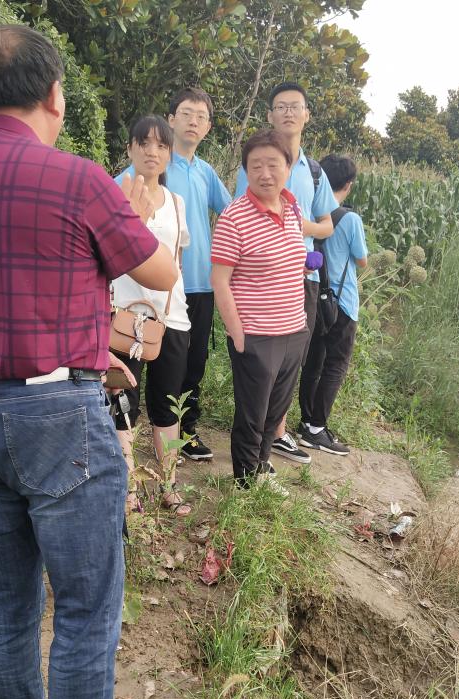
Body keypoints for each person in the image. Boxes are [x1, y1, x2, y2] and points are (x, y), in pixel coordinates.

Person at [0, 25, 177, 699]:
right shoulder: (79, 179)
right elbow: (160, 272)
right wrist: (139, 213)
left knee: (6, 607)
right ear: (54, 96)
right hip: (59, 417)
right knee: (86, 615)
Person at [115, 87, 230, 461]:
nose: (194, 121)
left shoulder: (202, 174)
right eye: (186, 113)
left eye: (201, 116)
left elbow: (228, 213)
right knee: (123, 390)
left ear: (208, 126)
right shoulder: (125, 184)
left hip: (185, 294)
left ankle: (182, 442)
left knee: (186, 372)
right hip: (132, 304)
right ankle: (124, 469)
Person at [234, 82, 336, 465]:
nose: (288, 112)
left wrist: (294, 226)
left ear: (306, 115)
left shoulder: (313, 171)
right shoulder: (255, 162)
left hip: (302, 279)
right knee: (260, 364)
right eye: (281, 106)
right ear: (270, 115)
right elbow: (242, 216)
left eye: (295, 106)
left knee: (292, 361)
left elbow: (327, 224)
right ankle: (258, 443)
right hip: (261, 280)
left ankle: (275, 432)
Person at [213, 129, 309, 490]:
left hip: (293, 329)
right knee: (253, 413)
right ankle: (244, 483)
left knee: (276, 410)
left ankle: (261, 468)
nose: (265, 174)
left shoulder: (293, 208)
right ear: (246, 171)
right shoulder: (234, 217)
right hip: (256, 334)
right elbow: (219, 279)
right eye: (256, 166)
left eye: (273, 164)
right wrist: (237, 332)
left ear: (288, 166)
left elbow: (289, 258)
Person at [110, 115, 192, 515]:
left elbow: (177, 261)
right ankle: (128, 486)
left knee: (168, 404)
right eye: (143, 143)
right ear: (129, 148)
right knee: (123, 402)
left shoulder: (177, 203)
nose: (152, 152)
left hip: (171, 319)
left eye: (161, 145)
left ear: (169, 154)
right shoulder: (113, 196)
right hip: (124, 320)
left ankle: (168, 483)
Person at [297, 154, 368, 455]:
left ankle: (306, 422)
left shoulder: (313, 215)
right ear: (348, 185)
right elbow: (362, 260)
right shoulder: (350, 220)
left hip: (315, 296)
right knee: (335, 365)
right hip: (343, 303)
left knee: (313, 362)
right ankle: (317, 428)